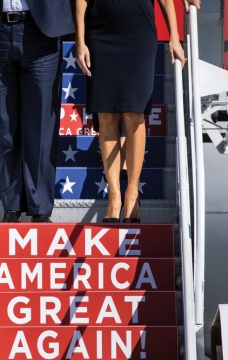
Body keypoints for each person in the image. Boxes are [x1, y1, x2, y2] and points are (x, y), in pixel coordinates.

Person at [0, 0, 74, 223]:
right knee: (4, 126)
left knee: (40, 127)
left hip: (41, 34)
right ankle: (12, 207)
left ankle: (40, 209)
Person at [75, 0, 186, 223]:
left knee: (134, 114)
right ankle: (114, 196)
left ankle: (132, 192)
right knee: (106, 114)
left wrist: (174, 35)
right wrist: (80, 41)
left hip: (138, 34)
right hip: (100, 33)